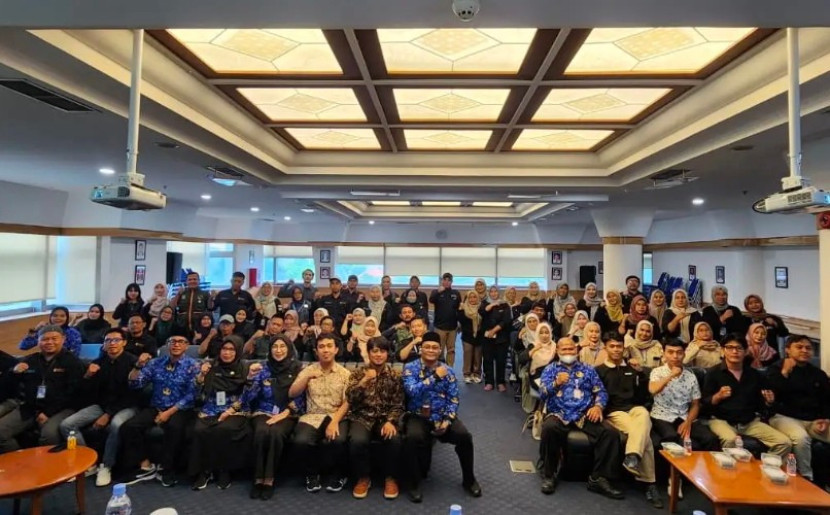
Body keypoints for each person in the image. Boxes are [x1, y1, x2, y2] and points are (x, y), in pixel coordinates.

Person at [537, 337, 623, 498]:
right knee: (549, 428)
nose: (568, 352)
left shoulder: (588, 369)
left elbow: (601, 392)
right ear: (558, 352)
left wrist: (598, 406)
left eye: (571, 349)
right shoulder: (550, 369)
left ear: (577, 351)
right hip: (559, 413)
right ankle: (549, 475)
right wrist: (556, 383)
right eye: (564, 350)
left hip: (584, 413)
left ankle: (598, 478)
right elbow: (542, 394)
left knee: (610, 433)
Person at [402, 336, 481, 503]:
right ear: (421, 349)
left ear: (440, 350)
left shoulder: (449, 370)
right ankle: (413, 484)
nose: (431, 350)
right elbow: (412, 391)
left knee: (465, 437)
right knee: (411, 438)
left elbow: (454, 399)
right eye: (427, 347)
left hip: (441, 416)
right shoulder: (410, 368)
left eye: (434, 347)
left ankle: (469, 480)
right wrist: (435, 377)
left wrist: (447, 419)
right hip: (417, 415)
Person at [58, 328, 138, 486]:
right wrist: (88, 376)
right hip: (101, 405)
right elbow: (85, 391)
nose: (112, 343)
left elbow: (131, 395)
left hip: (127, 406)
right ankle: (88, 463)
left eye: (116, 340)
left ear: (124, 342)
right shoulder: (98, 363)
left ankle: (106, 466)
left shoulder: (132, 362)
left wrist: (108, 414)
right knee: (67, 424)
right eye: (108, 340)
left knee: (116, 424)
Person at [121, 334, 200, 487]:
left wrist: (168, 413)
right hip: (156, 406)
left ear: (187, 346)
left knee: (174, 428)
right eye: (172, 341)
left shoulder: (193, 365)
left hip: (179, 409)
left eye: (180, 342)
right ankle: (145, 465)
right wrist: (138, 366)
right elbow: (135, 384)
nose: (176, 344)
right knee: (129, 427)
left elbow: (192, 395)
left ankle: (167, 469)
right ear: (167, 345)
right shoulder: (155, 363)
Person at [596, 337, 663, 508]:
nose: (616, 349)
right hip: (615, 412)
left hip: (635, 409)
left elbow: (644, 397)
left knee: (643, 414)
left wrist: (640, 373)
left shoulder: (632, 369)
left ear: (624, 348)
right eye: (612, 346)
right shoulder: (599, 370)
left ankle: (632, 456)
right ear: (606, 348)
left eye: (619, 346)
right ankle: (650, 484)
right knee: (644, 435)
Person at [650, 338, 720, 497]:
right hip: (662, 415)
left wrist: (688, 422)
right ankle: (674, 480)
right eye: (671, 352)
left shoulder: (691, 376)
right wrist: (670, 376)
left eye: (679, 352)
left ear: (684, 354)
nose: (675, 356)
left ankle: (712, 480)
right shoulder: (657, 372)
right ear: (664, 354)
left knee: (709, 438)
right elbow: (653, 390)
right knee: (671, 437)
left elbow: (696, 404)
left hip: (683, 415)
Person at [701, 334, 791, 457]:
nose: (734, 351)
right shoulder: (713, 373)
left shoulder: (755, 375)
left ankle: (763, 472)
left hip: (749, 422)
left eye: (739, 348)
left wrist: (769, 402)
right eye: (730, 347)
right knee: (730, 439)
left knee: (784, 443)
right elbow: (704, 405)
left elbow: (762, 407)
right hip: (721, 420)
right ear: (723, 351)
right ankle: (725, 474)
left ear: (746, 351)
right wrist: (718, 396)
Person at [0, 325, 84, 453]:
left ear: (63, 339)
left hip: (61, 408)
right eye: (45, 339)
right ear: (38, 341)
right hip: (31, 407)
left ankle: (52, 468)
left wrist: (48, 412)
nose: (49, 342)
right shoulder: (31, 360)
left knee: (49, 434)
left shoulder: (72, 362)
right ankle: (20, 463)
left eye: (54, 339)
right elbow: (11, 385)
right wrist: (14, 372)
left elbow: (73, 393)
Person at [288, 333, 351, 494]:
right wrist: (306, 377)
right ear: (316, 351)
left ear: (336, 349)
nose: (325, 350)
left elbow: (347, 402)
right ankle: (311, 474)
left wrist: (334, 421)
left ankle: (339, 475)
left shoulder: (345, 373)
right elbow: (292, 393)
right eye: (321, 347)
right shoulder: (308, 370)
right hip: (312, 415)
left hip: (336, 414)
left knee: (339, 440)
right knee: (301, 441)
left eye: (329, 346)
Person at [189, 335, 253, 491]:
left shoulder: (245, 369)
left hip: (235, 409)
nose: (227, 353)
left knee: (223, 429)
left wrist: (231, 410)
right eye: (225, 349)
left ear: (237, 351)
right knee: (199, 430)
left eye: (231, 350)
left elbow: (249, 395)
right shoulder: (211, 366)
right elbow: (196, 393)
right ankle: (204, 471)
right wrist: (202, 376)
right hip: (210, 408)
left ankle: (224, 470)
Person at [243, 336, 303, 500]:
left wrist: (283, 415)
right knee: (262, 432)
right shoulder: (262, 368)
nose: (278, 350)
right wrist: (249, 379)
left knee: (275, 433)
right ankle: (257, 478)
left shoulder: (298, 368)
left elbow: (300, 397)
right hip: (263, 411)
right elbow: (249, 398)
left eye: (282, 346)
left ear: (289, 348)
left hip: (287, 413)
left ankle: (269, 479)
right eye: (274, 347)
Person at [346, 337, 405, 500]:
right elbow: (350, 399)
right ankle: (363, 477)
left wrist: (390, 421)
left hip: (384, 418)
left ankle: (391, 478)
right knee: (357, 441)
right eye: (375, 351)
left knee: (393, 439)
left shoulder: (394, 375)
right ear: (369, 353)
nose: (378, 355)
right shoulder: (358, 373)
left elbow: (398, 404)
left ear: (387, 353)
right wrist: (364, 381)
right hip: (362, 417)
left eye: (382, 351)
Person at [767, 335, 830, 483]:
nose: (804, 350)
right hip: (783, 417)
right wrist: (784, 373)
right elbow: (771, 395)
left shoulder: (817, 374)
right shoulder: (776, 369)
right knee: (801, 438)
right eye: (799, 347)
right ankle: (807, 480)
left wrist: (826, 419)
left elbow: (827, 400)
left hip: (813, 420)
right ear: (787, 350)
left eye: (808, 348)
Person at [480, 285, 512, 392]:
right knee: (488, 360)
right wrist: (492, 305)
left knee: (501, 360)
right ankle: (489, 382)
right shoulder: (485, 303)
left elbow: (506, 320)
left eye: (496, 292)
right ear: (489, 293)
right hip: (487, 337)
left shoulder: (504, 305)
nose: (494, 293)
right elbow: (482, 312)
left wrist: (494, 330)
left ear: (499, 293)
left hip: (501, 337)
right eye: (492, 292)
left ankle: (501, 382)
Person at [430, 273, 462, 367]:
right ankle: (438, 369)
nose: (446, 282)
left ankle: (450, 369)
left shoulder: (456, 293)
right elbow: (431, 300)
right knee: (439, 350)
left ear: (451, 282)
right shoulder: (436, 292)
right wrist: (438, 292)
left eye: (449, 280)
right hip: (440, 327)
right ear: (442, 281)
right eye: (445, 280)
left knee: (451, 350)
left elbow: (459, 308)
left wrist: (459, 322)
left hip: (452, 327)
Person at [458, 290, 483, 384]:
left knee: (478, 356)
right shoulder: (463, 308)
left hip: (479, 336)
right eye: (470, 297)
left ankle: (476, 374)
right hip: (467, 336)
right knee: (467, 356)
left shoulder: (481, 308)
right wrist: (460, 310)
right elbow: (461, 321)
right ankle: (467, 374)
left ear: (477, 298)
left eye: (474, 297)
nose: (472, 299)